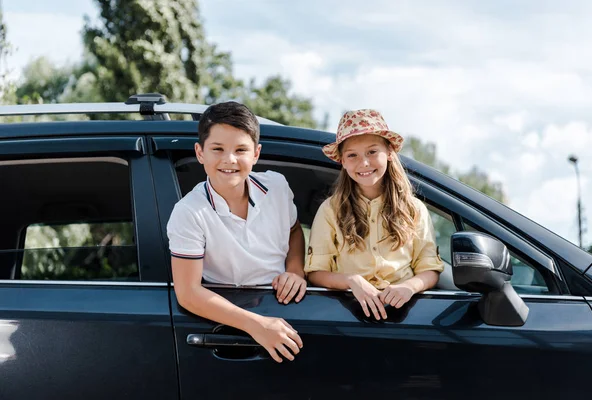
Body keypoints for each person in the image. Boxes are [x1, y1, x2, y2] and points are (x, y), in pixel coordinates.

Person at [166, 101, 307, 363]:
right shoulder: (189, 212)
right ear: (200, 152)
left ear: (256, 153)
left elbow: (295, 230)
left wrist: (296, 270)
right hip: (232, 324)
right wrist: (257, 325)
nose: (229, 160)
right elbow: (188, 293)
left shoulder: (276, 186)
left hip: (288, 308)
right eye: (217, 149)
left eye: (240, 149)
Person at [305, 109, 444, 320]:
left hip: (407, 318)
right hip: (347, 316)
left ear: (389, 152)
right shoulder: (330, 210)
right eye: (352, 155)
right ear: (342, 161)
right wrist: (352, 280)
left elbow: (430, 269)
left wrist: (409, 287)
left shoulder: (414, 209)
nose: (364, 163)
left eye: (372, 152)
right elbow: (316, 273)